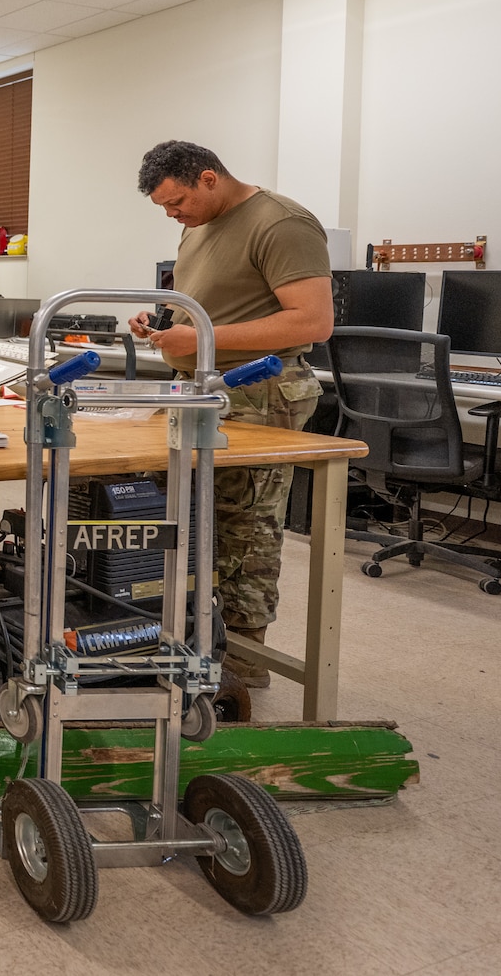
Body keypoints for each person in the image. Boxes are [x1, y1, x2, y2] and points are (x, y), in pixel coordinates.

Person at [127, 141, 333, 719]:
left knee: (244, 528)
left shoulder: (281, 223)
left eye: (180, 201)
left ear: (210, 178)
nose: (175, 214)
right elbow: (210, 306)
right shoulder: (198, 227)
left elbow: (313, 321)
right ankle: (192, 640)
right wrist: (164, 325)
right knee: (187, 519)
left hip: (259, 392)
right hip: (204, 390)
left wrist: (201, 339)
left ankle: (243, 661)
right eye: (165, 207)